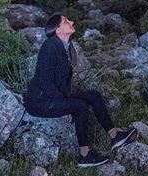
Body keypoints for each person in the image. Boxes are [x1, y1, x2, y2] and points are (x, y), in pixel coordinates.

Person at [24, 12, 138, 168]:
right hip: (39, 101)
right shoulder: (49, 46)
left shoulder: (68, 47)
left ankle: (115, 136)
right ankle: (85, 155)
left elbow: (63, 81)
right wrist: (65, 106)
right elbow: (45, 82)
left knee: (93, 95)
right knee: (80, 106)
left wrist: (66, 99)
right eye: (65, 20)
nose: (71, 21)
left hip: (55, 96)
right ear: (57, 29)